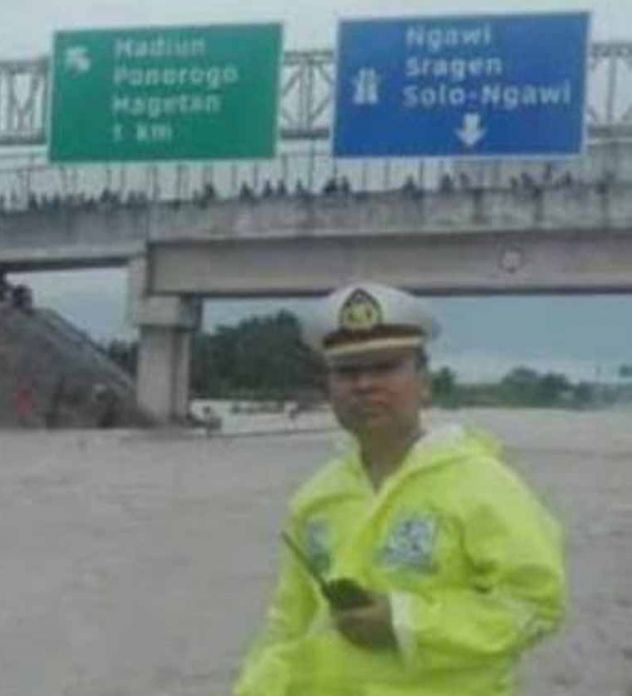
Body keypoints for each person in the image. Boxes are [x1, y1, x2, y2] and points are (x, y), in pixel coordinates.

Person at [232, 282, 565, 696]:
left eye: (385, 367)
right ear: (328, 388)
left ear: (424, 382)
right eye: (347, 371)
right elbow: (289, 624)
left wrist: (404, 622)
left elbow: (535, 606)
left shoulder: (482, 485)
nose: (364, 385)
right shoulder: (317, 498)